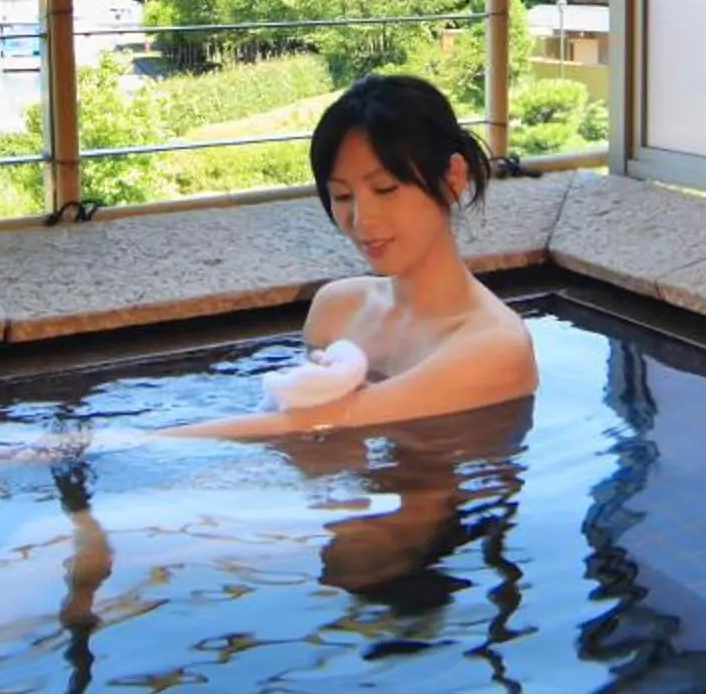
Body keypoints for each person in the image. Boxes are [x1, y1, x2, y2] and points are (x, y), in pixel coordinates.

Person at [164, 73, 537, 440]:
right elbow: (305, 432)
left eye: (385, 188)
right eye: (342, 196)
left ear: (453, 178)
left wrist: (148, 444)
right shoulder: (337, 308)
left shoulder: (497, 346)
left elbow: (320, 423)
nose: (361, 220)